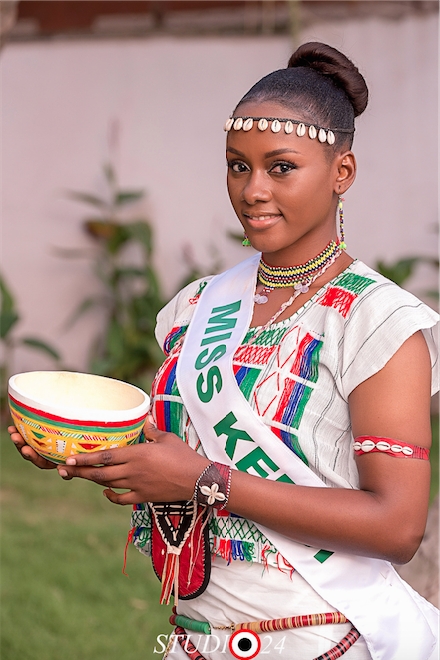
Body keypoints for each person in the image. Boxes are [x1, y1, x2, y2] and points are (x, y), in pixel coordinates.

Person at [9, 42, 439, 660]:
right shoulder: (196, 306)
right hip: (195, 639)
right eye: (238, 166)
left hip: (319, 641)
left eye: (281, 167)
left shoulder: (376, 321)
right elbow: (172, 457)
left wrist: (205, 480)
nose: (253, 189)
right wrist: (79, 450)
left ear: (342, 172)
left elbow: (398, 526)